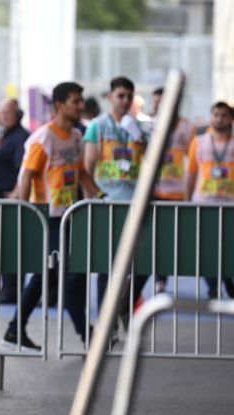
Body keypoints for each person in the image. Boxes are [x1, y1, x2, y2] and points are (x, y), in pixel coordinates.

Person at [2, 81, 103, 350]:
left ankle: (15, 328)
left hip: (70, 215)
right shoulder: (44, 137)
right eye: (75, 101)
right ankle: (87, 332)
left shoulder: (76, 137)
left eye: (81, 101)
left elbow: (81, 173)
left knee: (47, 274)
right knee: (64, 272)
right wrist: (24, 215)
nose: (81, 105)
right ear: (59, 105)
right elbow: (26, 176)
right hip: (47, 218)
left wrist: (101, 198)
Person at [83, 76, 148, 332]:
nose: (124, 100)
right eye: (120, 95)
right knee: (106, 266)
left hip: (135, 203)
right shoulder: (97, 126)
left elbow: (150, 166)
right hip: (107, 203)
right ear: (110, 97)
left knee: (143, 263)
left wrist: (143, 143)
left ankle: (124, 304)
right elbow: (87, 168)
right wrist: (96, 198)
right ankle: (104, 325)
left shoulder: (139, 128)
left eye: (129, 96)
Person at [0, 98, 29, 305]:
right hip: (0, 200)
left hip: (10, 203)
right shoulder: (6, 136)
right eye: (1, 113)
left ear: (18, 115)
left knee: (11, 247)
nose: (4, 116)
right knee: (4, 247)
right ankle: (7, 289)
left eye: (8, 113)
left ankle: (11, 291)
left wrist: (16, 194)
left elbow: (24, 169)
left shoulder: (20, 138)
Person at [185, 101, 234, 299]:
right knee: (205, 247)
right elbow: (191, 173)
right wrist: (187, 201)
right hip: (203, 202)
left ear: (230, 118)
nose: (219, 119)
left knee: (228, 246)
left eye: (223, 115)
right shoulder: (199, 141)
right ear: (210, 116)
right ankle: (213, 285)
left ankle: (228, 279)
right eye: (215, 114)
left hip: (230, 204)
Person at [150, 87, 193, 294]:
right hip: (151, 192)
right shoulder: (148, 125)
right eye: (156, 101)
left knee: (167, 240)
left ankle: (162, 279)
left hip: (176, 192)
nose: (159, 105)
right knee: (149, 239)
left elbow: (193, 159)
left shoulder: (186, 127)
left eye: (163, 101)